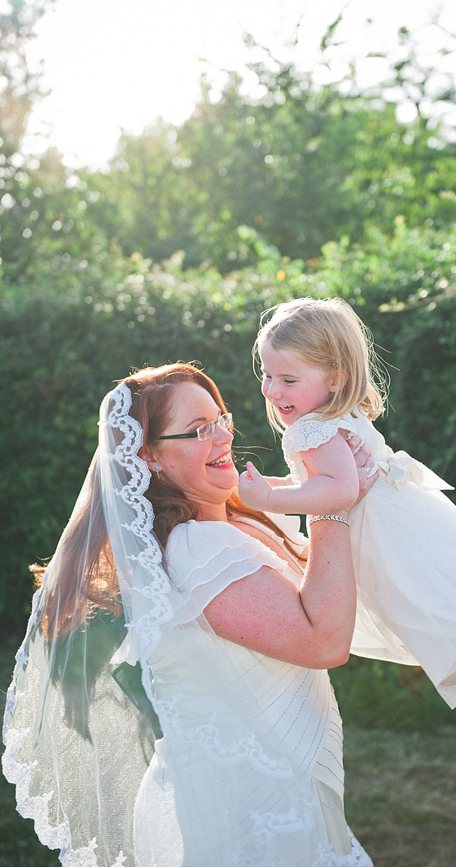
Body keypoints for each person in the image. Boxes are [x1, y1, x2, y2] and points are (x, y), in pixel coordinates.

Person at [2, 362, 378, 866]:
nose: (223, 437)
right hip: (244, 810)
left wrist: (346, 481)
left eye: (220, 419)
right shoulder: (196, 548)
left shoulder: (240, 519)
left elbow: (334, 588)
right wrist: (332, 504)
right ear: (150, 457)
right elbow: (324, 642)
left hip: (284, 784)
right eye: (199, 430)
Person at [238, 296, 456, 708]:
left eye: (288, 379)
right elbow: (322, 480)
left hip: (382, 544)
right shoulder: (338, 417)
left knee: (452, 654)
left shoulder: (309, 429)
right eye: (267, 376)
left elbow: (338, 492)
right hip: (403, 522)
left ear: (335, 378)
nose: (272, 390)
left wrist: (269, 497)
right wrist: (274, 483)